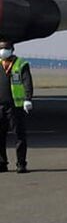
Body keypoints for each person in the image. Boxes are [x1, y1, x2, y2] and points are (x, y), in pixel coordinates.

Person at [0, 40, 33, 174]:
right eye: (1, 48)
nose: (3, 50)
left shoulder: (21, 64)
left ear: (12, 49)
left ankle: (21, 163)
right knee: (0, 135)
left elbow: (27, 82)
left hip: (15, 106)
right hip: (0, 105)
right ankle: (2, 163)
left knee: (19, 135)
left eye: (5, 48)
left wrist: (27, 98)